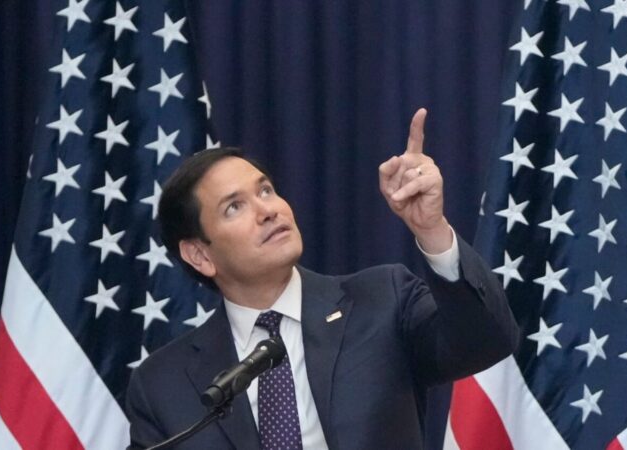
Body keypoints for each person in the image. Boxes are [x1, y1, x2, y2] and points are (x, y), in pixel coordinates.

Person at [125, 108, 519, 450]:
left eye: (266, 190)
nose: (268, 210)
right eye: (234, 207)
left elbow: (487, 342)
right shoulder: (162, 386)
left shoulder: (382, 302)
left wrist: (432, 230)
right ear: (200, 255)